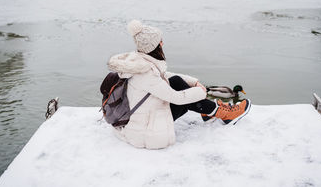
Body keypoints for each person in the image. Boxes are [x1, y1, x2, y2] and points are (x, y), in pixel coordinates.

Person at [107, 20, 251, 149]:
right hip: (145, 131)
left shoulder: (138, 61)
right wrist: (202, 92)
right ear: (155, 46)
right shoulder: (146, 73)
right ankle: (223, 113)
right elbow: (176, 98)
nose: (162, 43)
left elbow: (164, 76)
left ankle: (209, 111)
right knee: (185, 96)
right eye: (160, 41)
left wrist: (193, 82)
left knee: (176, 81)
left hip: (140, 119)